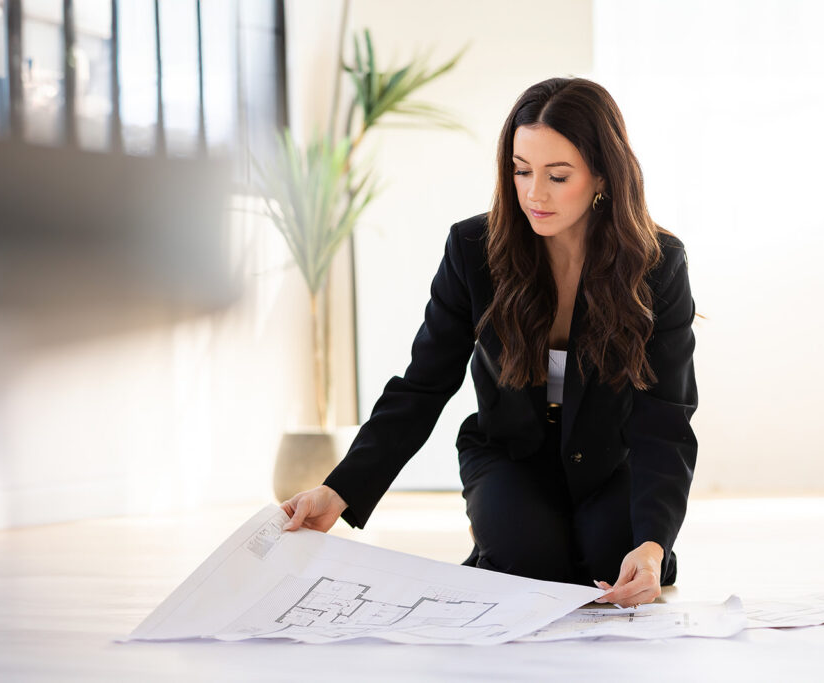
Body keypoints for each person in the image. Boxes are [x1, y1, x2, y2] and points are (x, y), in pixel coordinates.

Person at [280, 77, 698, 609]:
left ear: (602, 175)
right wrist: (340, 489)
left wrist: (654, 544)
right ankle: (510, 542)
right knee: (528, 566)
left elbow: (665, 417)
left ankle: (595, 542)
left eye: (558, 176)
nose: (534, 194)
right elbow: (423, 385)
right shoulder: (473, 249)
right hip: (509, 454)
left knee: (611, 561)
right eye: (521, 171)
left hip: (608, 464)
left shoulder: (657, 265)